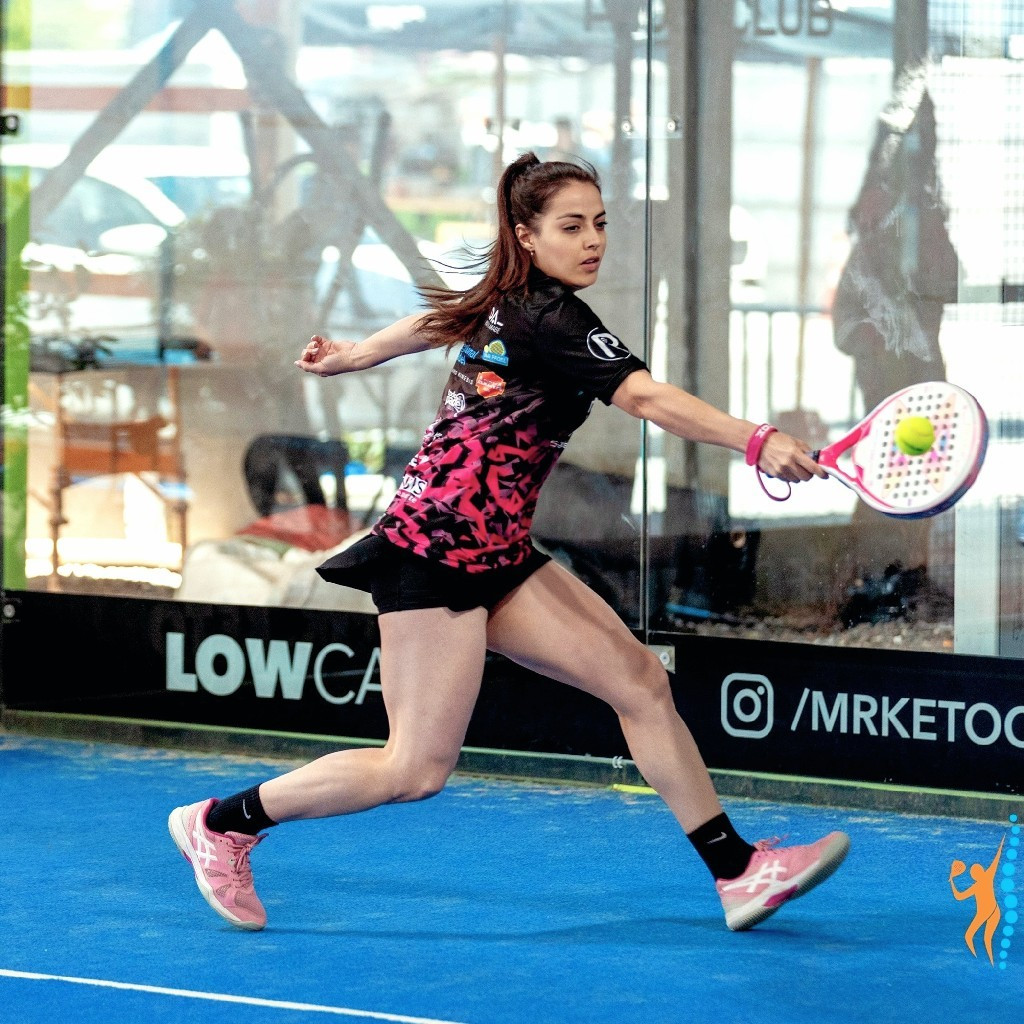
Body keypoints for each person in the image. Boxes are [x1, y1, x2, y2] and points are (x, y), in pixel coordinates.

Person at [168, 152, 850, 933]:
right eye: (572, 226)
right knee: (413, 768)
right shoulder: (554, 319)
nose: (592, 241)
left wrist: (358, 354)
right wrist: (757, 440)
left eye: (599, 225)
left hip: (495, 551)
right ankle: (222, 823)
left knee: (639, 682)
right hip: (433, 551)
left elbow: (438, 321)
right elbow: (646, 398)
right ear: (527, 236)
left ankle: (738, 871)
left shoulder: (510, 299)